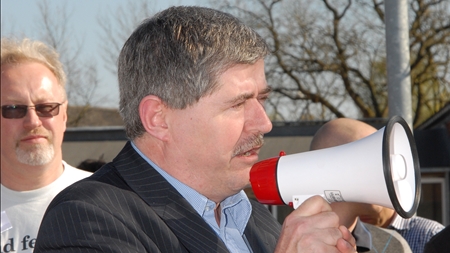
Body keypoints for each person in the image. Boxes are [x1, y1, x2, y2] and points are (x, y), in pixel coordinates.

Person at [34, 6, 357, 253]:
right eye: (238, 104)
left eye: (262, 99)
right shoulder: (85, 219)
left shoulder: (252, 217)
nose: (264, 122)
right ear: (158, 118)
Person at [1, 38, 92, 253]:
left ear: (64, 115)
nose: (33, 121)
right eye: (14, 109)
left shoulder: (111, 200)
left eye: (46, 107)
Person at [310, 118, 445, 253]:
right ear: (335, 168)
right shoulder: (292, 243)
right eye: (374, 156)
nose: (390, 174)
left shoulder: (394, 245)